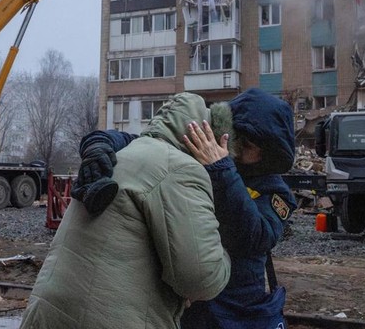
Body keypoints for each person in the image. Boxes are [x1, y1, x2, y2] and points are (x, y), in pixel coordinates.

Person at [75, 88, 297, 329]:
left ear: (268, 153)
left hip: (238, 308)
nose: (240, 149)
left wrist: (221, 170)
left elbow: (256, 236)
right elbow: (146, 143)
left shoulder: (275, 191)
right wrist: (98, 144)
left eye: (250, 145)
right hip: (187, 304)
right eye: (237, 138)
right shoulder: (203, 147)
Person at [19, 92, 231, 329]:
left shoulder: (120, 154)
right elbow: (201, 279)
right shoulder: (181, 169)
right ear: (205, 134)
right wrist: (226, 252)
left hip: (46, 314)